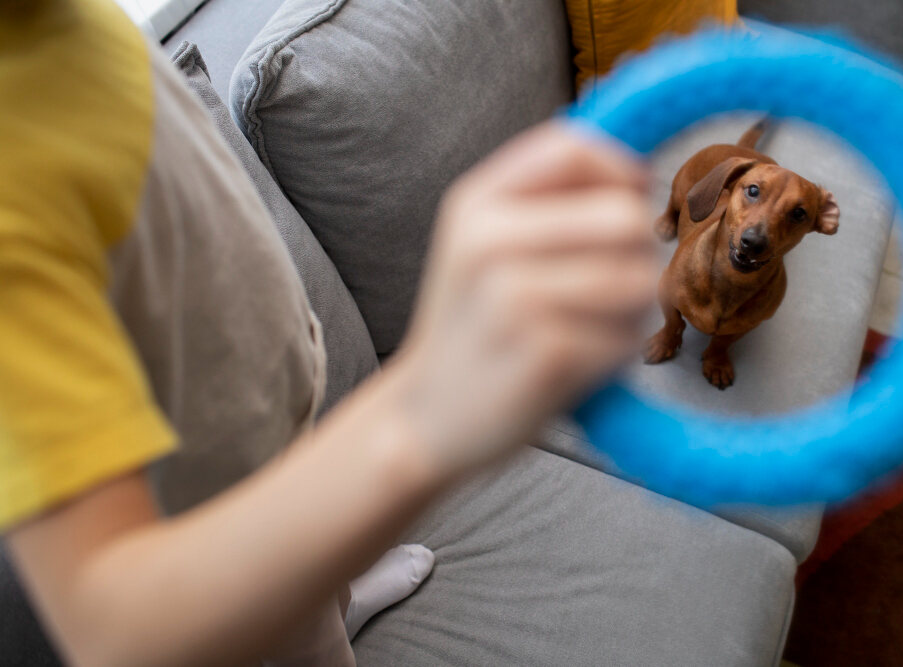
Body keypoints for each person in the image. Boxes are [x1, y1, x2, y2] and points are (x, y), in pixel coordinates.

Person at [0, 0, 658, 665]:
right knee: (305, 635)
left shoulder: (53, 22)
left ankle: (342, 598)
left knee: (320, 568)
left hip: (263, 393)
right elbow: (116, 630)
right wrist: (423, 405)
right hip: (217, 535)